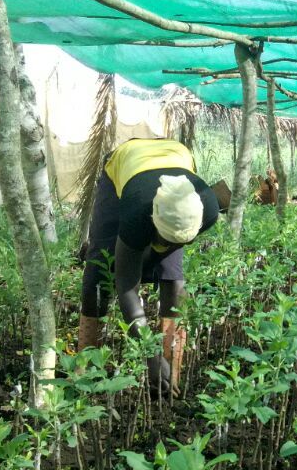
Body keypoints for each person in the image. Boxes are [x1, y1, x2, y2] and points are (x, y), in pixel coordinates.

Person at [78, 137, 224, 397]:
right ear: (153, 219)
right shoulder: (137, 213)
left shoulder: (208, 210)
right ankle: (86, 369)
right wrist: (149, 355)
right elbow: (126, 288)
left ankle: (172, 374)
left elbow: (175, 283)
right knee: (100, 270)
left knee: (171, 272)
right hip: (126, 164)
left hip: (175, 156)